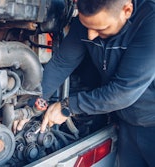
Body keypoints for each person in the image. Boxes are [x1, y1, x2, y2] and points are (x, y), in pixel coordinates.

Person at [14, 0, 155, 166]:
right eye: (86, 26)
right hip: (126, 122)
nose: (90, 35)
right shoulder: (89, 22)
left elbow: (123, 91)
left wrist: (67, 107)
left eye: (101, 29)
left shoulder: (149, 23)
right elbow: (61, 63)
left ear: (127, 10)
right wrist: (30, 105)